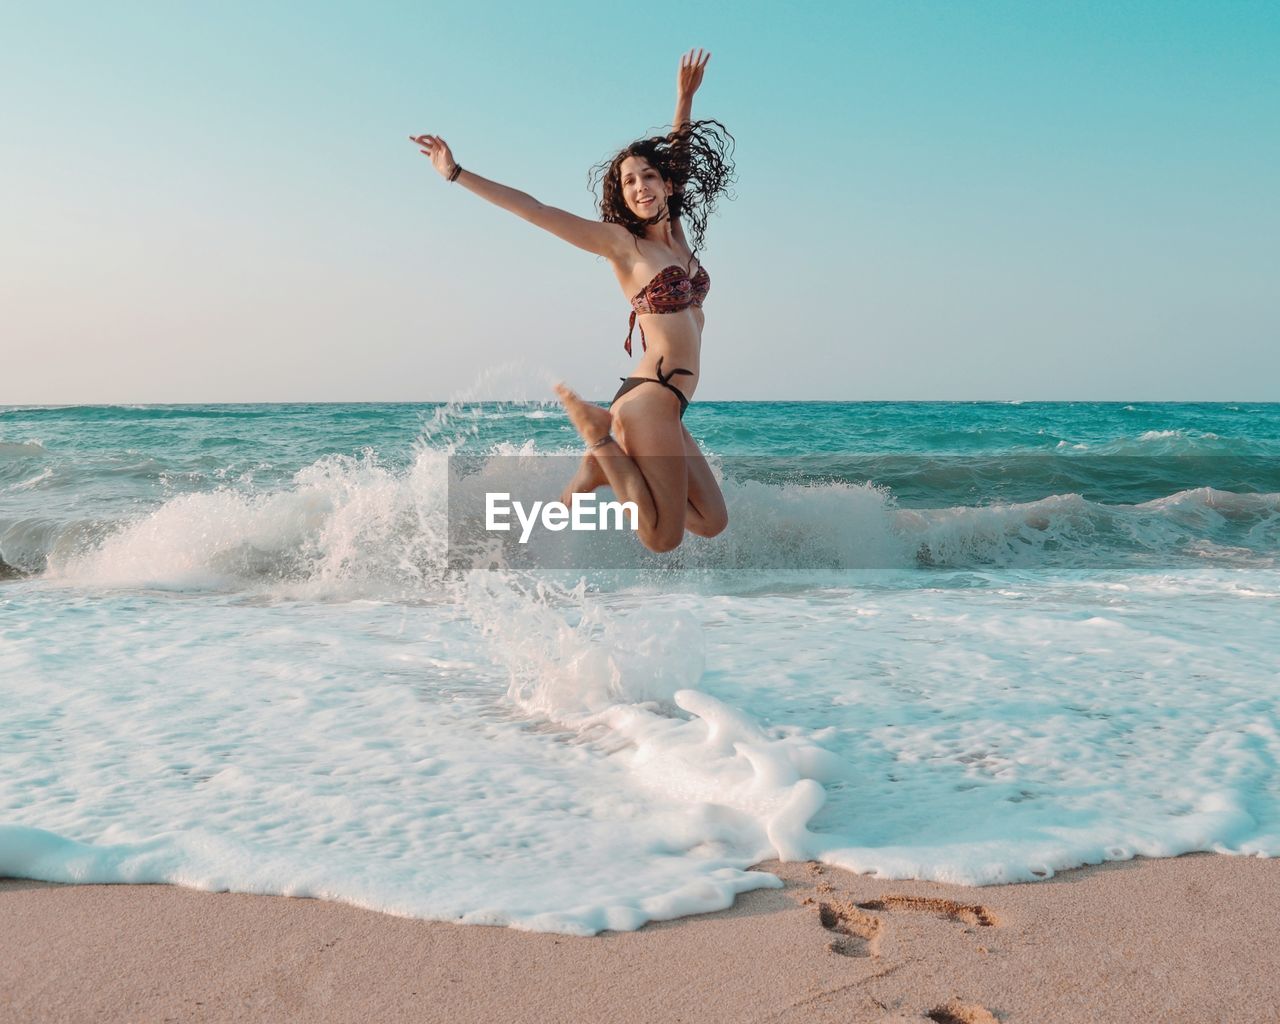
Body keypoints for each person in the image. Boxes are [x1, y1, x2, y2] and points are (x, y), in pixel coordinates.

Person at [411, 49, 733, 553]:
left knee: (711, 521)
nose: (640, 186)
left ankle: (603, 468)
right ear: (622, 198)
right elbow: (536, 210)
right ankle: (602, 440)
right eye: (629, 182)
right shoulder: (623, 246)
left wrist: (684, 101)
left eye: (648, 176)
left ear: (666, 184)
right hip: (649, 397)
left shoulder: (676, 237)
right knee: (662, 538)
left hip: (671, 407)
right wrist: (456, 173)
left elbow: (679, 159)